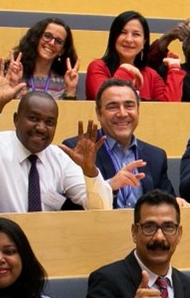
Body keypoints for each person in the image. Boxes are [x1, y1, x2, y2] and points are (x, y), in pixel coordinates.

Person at [0, 73, 112, 212]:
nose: (41, 128)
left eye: (49, 122)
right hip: (3, 234)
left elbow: (102, 208)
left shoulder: (60, 158)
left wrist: (89, 171)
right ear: (16, 119)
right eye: (33, 118)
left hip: (48, 235)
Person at [73, 78, 175, 209]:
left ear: (138, 110)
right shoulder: (79, 150)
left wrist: (176, 202)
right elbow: (73, 207)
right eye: (113, 106)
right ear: (98, 113)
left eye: (129, 105)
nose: (122, 113)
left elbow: (167, 202)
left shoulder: (156, 156)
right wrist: (110, 186)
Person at [86, 10, 183, 101]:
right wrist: (125, 70)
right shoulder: (98, 67)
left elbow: (170, 110)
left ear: (144, 42)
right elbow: (107, 100)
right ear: (113, 37)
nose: (129, 39)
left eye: (136, 34)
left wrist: (174, 69)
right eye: (123, 33)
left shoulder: (151, 75)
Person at [13, 17, 78, 99]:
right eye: (47, 36)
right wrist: (12, 84)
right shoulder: (15, 71)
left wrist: (71, 90)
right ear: (37, 38)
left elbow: (69, 111)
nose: (51, 43)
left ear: (62, 51)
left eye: (58, 41)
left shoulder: (65, 81)